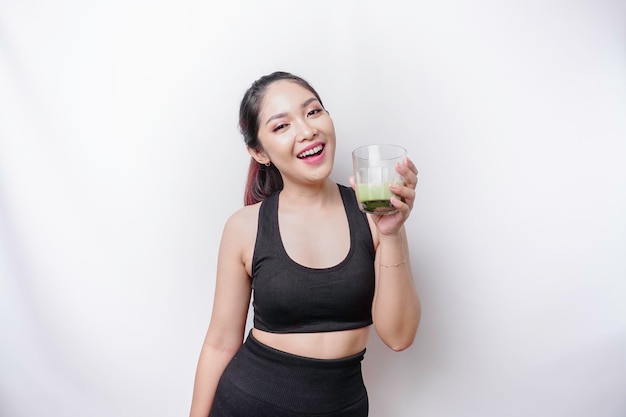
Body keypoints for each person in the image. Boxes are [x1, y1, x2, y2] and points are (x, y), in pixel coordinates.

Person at [189, 71, 421, 417]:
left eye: (313, 112)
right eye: (281, 126)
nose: (306, 130)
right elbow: (220, 343)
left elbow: (399, 337)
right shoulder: (244, 227)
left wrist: (391, 233)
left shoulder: (371, 216)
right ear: (259, 151)